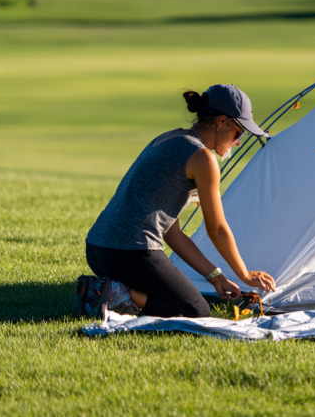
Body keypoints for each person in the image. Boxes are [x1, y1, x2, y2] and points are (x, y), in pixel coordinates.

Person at [76, 84, 275, 318]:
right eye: (239, 132)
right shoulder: (203, 158)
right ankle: (112, 294)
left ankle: (108, 289)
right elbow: (217, 229)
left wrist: (217, 278)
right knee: (196, 311)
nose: (238, 141)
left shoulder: (169, 138)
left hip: (99, 250)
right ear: (221, 122)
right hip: (131, 252)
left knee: (178, 300)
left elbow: (173, 234)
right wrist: (245, 275)